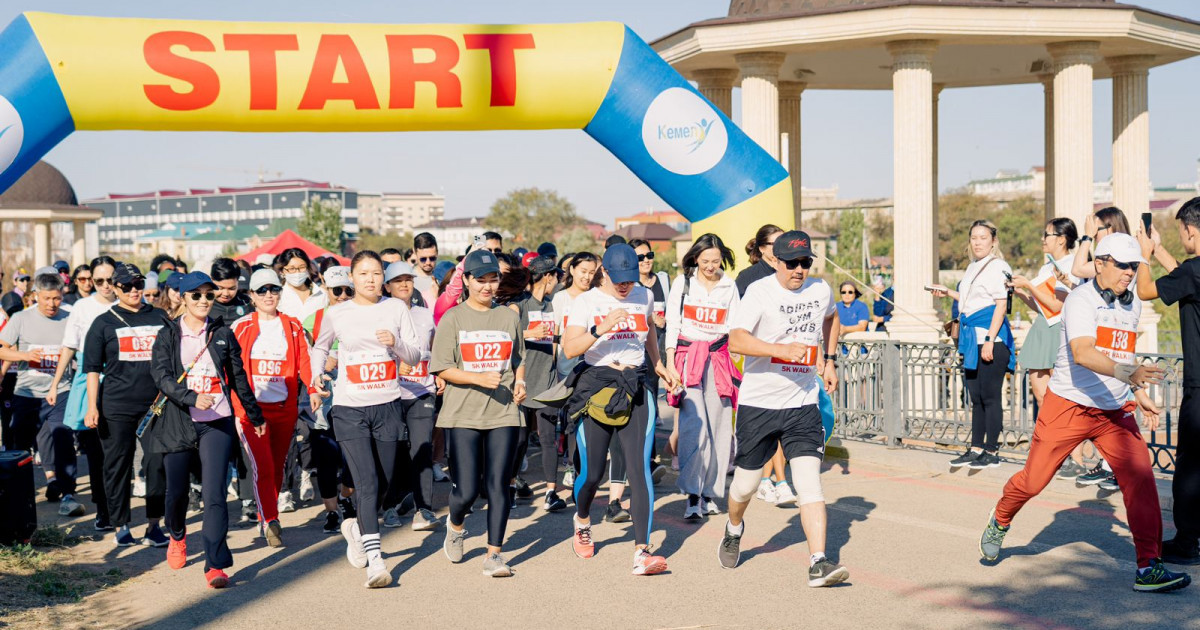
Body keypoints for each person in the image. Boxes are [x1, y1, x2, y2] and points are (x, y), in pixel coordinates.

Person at [981, 232, 1191, 592]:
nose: (1129, 272)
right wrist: (1131, 374)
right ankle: (1001, 517)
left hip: (1113, 410)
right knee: (1033, 481)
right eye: (1123, 265)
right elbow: (1083, 353)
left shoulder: (1132, 304)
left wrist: (1137, 390)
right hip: (1068, 406)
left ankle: (1149, 567)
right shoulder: (1080, 299)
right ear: (1100, 264)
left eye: (1134, 266)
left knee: (1142, 480)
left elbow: (1121, 356)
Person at [720, 230, 849, 587]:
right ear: (775, 261)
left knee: (810, 485)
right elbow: (736, 339)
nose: (799, 270)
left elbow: (831, 317)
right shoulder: (759, 292)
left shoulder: (820, 290)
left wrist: (830, 359)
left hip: (803, 402)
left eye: (805, 263)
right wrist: (779, 350)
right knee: (744, 487)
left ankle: (818, 562)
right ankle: (733, 528)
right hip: (759, 403)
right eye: (791, 263)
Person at [562, 243, 679, 576]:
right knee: (593, 473)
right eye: (619, 279)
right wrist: (602, 327)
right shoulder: (587, 301)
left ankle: (642, 551)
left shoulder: (644, 295)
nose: (626, 285)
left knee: (639, 469)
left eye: (630, 278)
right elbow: (570, 348)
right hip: (597, 386)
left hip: (634, 385)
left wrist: (660, 365)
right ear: (606, 272)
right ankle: (582, 520)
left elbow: (650, 335)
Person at [309, 252, 422, 589]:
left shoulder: (395, 309)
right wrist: (316, 375)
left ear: (383, 278)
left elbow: (415, 355)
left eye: (376, 274)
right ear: (352, 278)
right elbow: (320, 346)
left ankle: (357, 527)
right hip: (349, 408)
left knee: (386, 483)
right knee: (367, 482)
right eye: (363, 274)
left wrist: (396, 343)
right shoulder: (337, 312)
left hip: (387, 404)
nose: (370, 279)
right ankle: (376, 560)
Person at [149, 271, 264, 588]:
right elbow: (161, 377)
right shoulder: (168, 335)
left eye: (208, 295)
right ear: (182, 298)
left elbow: (239, 378)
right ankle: (177, 533)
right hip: (178, 421)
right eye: (195, 295)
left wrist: (255, 416)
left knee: (214, 494)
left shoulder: (223, 333)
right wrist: (191, 397)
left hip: (217, 422)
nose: (203, 300)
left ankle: (215, 565)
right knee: (177, 494)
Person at [432, 250, 527, 577]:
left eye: (493, 280)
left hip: (503, 412)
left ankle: (494, 555)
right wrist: (475, 377)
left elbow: (518, 359)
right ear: (468, 281)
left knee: (500, 484)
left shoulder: (508, 317)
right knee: (467, 490)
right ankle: (456, 525)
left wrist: (521, 382)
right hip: (462, 414)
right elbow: (442, 368)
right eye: (481, 280)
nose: (487, 287)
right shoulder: (453, 318)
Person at [81, 263, 172, 547]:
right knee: (117, 465)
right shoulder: (103, 322)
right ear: (116, 288)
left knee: (157, 462)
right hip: (116, 405)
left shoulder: (159, 316)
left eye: (138, 284)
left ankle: (154, 525)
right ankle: (121, 524)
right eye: (127, 286)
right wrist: (92, 407)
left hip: (156, 404)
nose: (134, 290)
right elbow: (92, 369)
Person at [1136, 197, 1200, 566]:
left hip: (1199, 387)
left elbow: (1148, 291)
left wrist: (1144, 256)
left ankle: (1188, 542)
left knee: (1191, 467)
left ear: (1190, 229)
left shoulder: (1194, 271)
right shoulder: (1194, 272)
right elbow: (1182, 275)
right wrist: (1158, 248)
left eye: (1181, 231)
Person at [229, 269, 313, 548]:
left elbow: (304, 362)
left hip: (284, 408)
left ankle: (267, 512)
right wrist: (235, 406)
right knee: (263, 465)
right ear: (251, 295)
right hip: (252, 412)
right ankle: (270, 519)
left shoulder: (292, 325)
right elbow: (230, 369)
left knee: (278, 467)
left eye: (273, 290)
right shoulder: (240, 327)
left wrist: (313, 389)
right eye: (261, 290)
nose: (268, 295)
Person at [664, 233, 740, 520]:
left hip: (719, 359)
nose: (710, 266)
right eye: (705, 261)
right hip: (688, 359)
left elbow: (734, 326)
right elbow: (673, 323)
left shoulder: (729, 286)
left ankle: (710, 493)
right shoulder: (682, 283)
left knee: (721, 427)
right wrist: (670, 363)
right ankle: (692, 495)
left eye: (716, 261)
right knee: (694, 426)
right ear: (695, 258)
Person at [931, 220, 1014, 469]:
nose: (978, 242)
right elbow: (972, 300)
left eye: (983, 237)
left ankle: (991, 449)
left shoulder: (998, 266)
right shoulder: (972, 267)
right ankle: (976, 447)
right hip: (971, 339)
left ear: (993, 241)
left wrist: (989, 339)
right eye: (974, 237)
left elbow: (1000, 305)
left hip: (990, 338)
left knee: (990, 396)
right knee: (975, 397)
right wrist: (948, 293)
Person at [0, 269, 82, 516]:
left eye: (56, 298)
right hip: (26, 392)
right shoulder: (21, 319)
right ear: (35, 295)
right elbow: (2, 350)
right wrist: (25, 355)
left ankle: (68, 495)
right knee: (20, 447)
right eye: (46, 298)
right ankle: (17, 498)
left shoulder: (69, 318)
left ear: (62, 295)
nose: (52, 304)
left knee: (63, 439)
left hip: (61, 391)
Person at [48, 256, 117, 530]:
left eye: (109, 279)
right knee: (96, 450)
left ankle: (119, 504)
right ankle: (104, 508)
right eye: (97, 280)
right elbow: (69, 346)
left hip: (123, 383)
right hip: (88, 381)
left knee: (120, 450)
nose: (103, 285)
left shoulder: (132, 305)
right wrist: (55, 384)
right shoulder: (82, 307)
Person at [1008, 218, 1083, 474]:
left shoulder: (1072, 265)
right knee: (1042, 395)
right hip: (1043, 328)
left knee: (1065, 397)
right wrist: (1020, 292)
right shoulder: (1045, 267)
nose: (1043, 239)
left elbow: (1057, 305)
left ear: (1062, 238)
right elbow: (1041, 306)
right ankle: (1050, 452)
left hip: (1059, 330)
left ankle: (1077, 459)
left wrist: (1029, 285)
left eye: (1047, 234)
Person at [733, 224, 796, 505]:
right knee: (766, 428)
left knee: (783, 423)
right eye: (775, 244)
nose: (781, 250)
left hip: (789, 359)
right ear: (761, 249)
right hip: (758, 359)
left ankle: (779, 480)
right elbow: (739, 326)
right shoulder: (748, 279)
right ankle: (766, 479)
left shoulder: (790, 274)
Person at [379, 261, 441, 532]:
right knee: (391, 452)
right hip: (389, 393)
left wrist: (440, 373)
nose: (404, 284)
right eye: (398, 280)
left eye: (408, 279)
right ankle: (389, 506)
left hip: (421, 391)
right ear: (387, 286)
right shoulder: (379, 315)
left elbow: (435, 347)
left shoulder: (425, 315)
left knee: (422, 448)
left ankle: (423, 510)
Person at [301, 266, 357, 534]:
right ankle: (332, 512)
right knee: (325, 456)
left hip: (355, 395)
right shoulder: (313, 320)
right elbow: (305, 359)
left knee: (352, 456)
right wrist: (321, 370)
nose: (344, 295)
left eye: (349, 290)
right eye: (338, 290)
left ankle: (346, 498)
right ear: (326, 290)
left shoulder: (363, 315)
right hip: (324, 398)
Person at [512, 256, 568, 512]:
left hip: (547, 381)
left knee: (548, 438)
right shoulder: (519, 305)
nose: (557, 282)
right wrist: (529, 334)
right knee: (519, 440)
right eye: (555, 277)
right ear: (547, 277)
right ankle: (510, 486)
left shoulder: (552, 306)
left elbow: (555, 340)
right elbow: (506, 335)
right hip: (522, 382)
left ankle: (550, 492)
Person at [276, 248, 326, 319]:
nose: (297, 272)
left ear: (308, 268)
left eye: (302, 267)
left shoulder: (321, 294)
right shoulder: (278, 297)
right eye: (291, 269)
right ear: (282, 271)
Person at [209, 258, 253, 323]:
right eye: (220, 288)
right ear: (211, 280)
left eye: (231, 288)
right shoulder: (203, 303)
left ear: (237, 283)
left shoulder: (247, 303)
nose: (226, 294)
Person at [412, 232, 441, 304]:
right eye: (423, 259)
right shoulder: (408, 278)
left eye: (432, 258)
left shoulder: (444, 276)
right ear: (415, 253)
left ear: (437, 253)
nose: (428, 262)